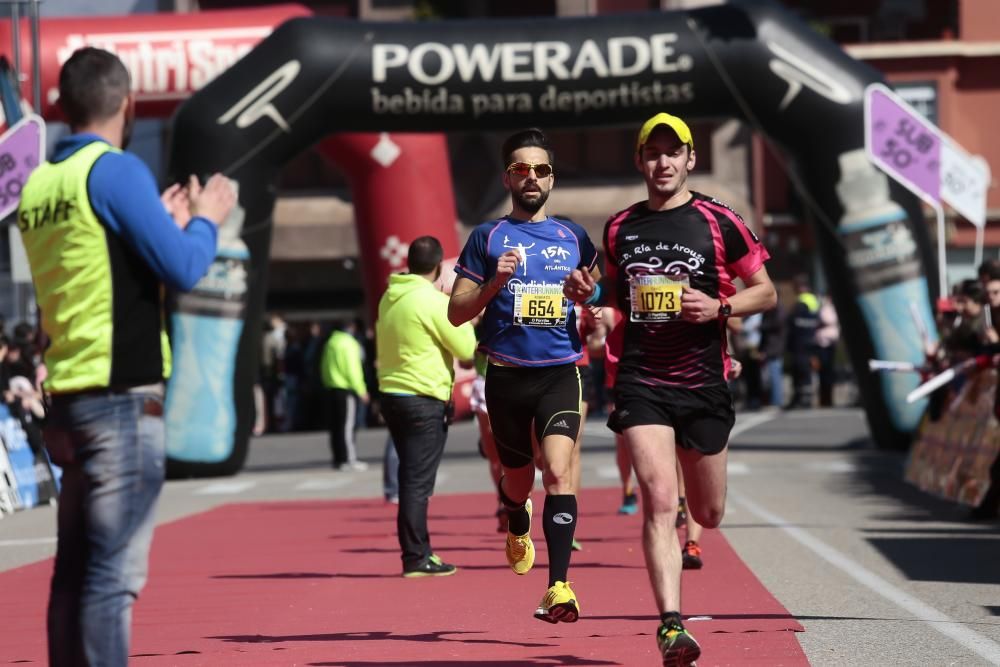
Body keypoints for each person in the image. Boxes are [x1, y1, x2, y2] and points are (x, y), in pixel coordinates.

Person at [16, 47, 235, 667]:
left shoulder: (40, 185)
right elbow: (185, 266)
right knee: (111, 581)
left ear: (61, 106)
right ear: (129, 102)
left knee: (74, 577)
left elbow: (95, 268)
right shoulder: (115, 171)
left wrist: (158, 225)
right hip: (120, 401)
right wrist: (205, 220)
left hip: (69, 398)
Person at [565, 112, 775, 665]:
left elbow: (767, 292)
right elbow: (612, 300)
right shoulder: (619, 228)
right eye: (652, 153)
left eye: (672, 152)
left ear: (690, 159)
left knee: (708, 513)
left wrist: (721, 306)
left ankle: (693, 530)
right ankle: (671, 626)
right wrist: (595, 311)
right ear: (640, 162)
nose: (662, 162)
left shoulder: (719, 220)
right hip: (642, 380)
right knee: (659, 500)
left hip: (704, 381)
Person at [449, 128, 601, 623]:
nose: (530, 177)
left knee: (557, 470)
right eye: (520, 169)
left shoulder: (573, 236)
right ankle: (517, 517)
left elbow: (594, 294)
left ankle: (559, 586)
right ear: (507, 177)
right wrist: (496, 281)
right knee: (518, 480)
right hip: (508, 378)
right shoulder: (486, 237)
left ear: (552, 178)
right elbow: (456, 313)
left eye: (540, 169)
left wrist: (590, 300)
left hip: (561, 372)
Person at [376, 235, 476, 577]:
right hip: (424, 396)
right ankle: (416, 556)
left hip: (392, 394)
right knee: (418, 483)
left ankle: (418, 552)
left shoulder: (390, 297)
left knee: (410, 477)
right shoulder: (431, 301)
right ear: (438, 267)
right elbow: (465, 348)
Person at [320, 319, 370, 471]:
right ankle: (349, 459)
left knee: (336, 427)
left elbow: (323, 366)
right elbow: (352, 369)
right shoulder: (349, 343)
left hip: (332, 388)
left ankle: (338, 459)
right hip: (345, 389)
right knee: (347, 426)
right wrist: (361, 389)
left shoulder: (330, 343)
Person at [786, 274, 820, 409]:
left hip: (800, 341)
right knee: (805, 370)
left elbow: (794, 323)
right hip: (810, 339)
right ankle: (804, 399)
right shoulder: (814, 300)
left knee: (800, 370)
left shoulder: (801, 302)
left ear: (799, 287)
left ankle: (801, 400)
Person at [815, 295, 840, 407]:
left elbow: (827, 319)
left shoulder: (829, 308)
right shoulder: (825, 308)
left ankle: (828, 398)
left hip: (830, 344)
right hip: (822, 343)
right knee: (823, 372)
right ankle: (824, 398)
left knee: (827, 372)